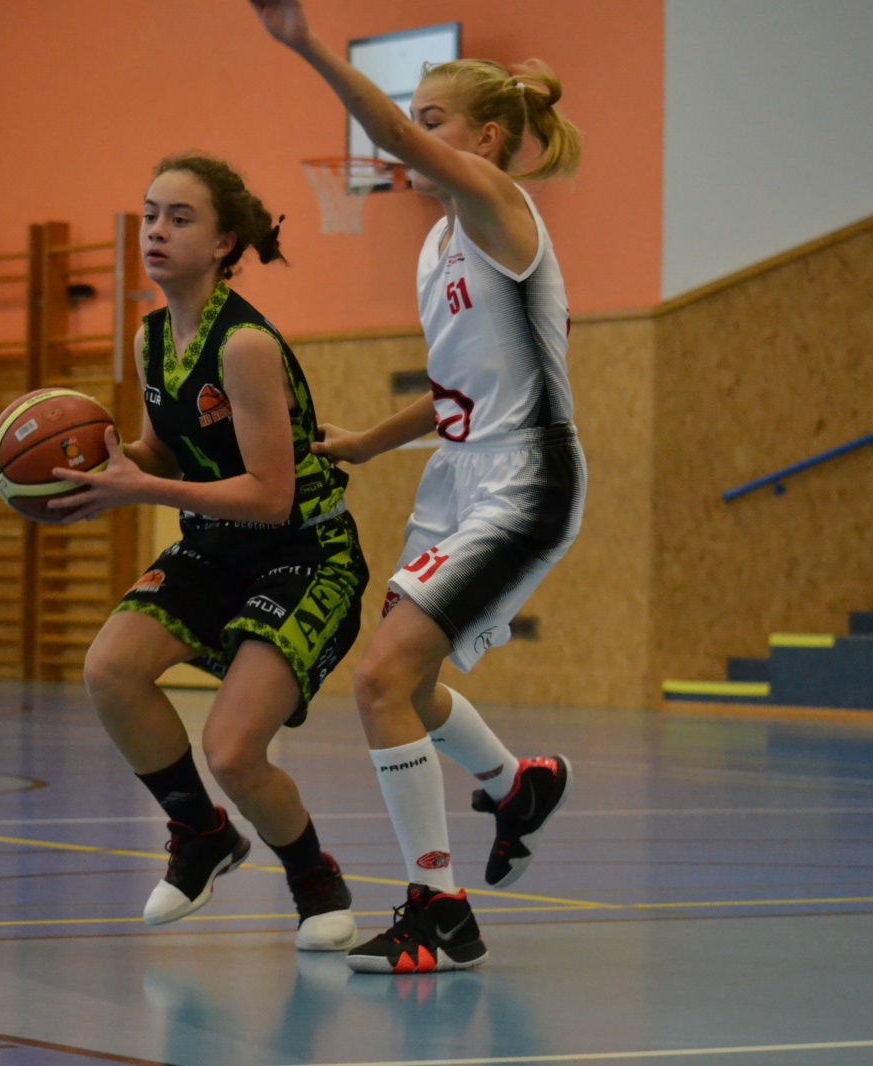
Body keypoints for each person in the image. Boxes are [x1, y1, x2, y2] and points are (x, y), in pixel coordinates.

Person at [251, 0, 586, 973]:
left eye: (432, 120)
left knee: (379, 680)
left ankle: (439, 908)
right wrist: (369, 440)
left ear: (485, 140)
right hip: (458, 474)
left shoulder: (496, 206)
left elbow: (391, 137)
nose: (410, 134)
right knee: (414, 683)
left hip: (524, 475)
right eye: (416, 120)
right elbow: (455, 392)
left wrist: (304, 42)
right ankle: (516, 784)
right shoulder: (438, 246)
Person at [48, 152, 369, 952]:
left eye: (180, 218)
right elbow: (161, 451)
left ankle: (315, 880)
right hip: (215, 547)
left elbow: (271, 494)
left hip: (302, 551)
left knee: (232, 748)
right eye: (151, 214)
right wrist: (92, 471)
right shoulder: (152, 337)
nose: (156, 230)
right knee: (110, 671)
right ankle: (200, 834)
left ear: (225, 242)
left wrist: (140, 490)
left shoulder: (245, 345)